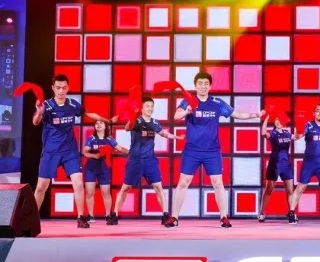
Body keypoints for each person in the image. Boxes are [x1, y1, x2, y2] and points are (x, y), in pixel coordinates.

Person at [168, 72, 264, 228]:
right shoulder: (188, 101)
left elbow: (236, 113)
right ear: (195, 85)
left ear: (210, 86)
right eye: (200, 83)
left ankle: (223, 217)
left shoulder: (217, 103)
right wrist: (187, 111)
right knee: (183, 182)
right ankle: (174, 217)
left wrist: (255, 115)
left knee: (218, 183)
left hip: (212, 151)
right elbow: (176, 115)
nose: (203, 86)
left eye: (206, 83)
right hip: (192, 150)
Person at [32, 74, 116, 228]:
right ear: (53, 88)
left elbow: (89, 114)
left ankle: (81, 218)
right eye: (58, 88)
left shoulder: (73, 104)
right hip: (51, 152)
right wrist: (39, 112)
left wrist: (107, 121)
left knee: (78, 183)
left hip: (70, 151)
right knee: (41, 187)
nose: (61, 91)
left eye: (64, 88)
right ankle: (32, 221)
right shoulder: (47, 105)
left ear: (68, 88)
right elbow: (35, 122)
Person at [109, 97, 182, 225]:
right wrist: (133, 117)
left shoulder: (155, 122)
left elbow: (163, 133)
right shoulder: (136, 120)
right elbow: (127, 128)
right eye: (147, 106)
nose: (150, 108)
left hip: (150, 160)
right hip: (135, 160)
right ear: (142, 108)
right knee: (126, 188)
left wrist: (177, 137)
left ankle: (165, 214)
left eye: (152, 106)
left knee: (158, 187)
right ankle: (114, 214)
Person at [82, 120, 128, 223]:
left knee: (106, 193)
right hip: (91, 169)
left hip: (104, 169)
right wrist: (95, 156)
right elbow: (85, 152)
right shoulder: (91, 139)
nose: (98, 125)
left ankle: (108, 215)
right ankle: (91, 215)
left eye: (101, 123)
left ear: (105, 126)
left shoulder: (110, 139)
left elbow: (120, 148)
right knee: (89, 193)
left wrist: (130, 152)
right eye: (96, 123)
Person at [257, 113, 294, 222]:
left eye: (281, 120)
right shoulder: (273, 134)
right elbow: (263, 133)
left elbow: (297, 137)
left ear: (284, 123)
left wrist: (301, 124)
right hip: (274, 164)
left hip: (286, 165)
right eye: (277, 119)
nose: (278, 122)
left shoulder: (287, 134)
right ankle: (262, 213)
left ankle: (291, 213)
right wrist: (267, 117)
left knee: (290, 190)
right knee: (269, 189)